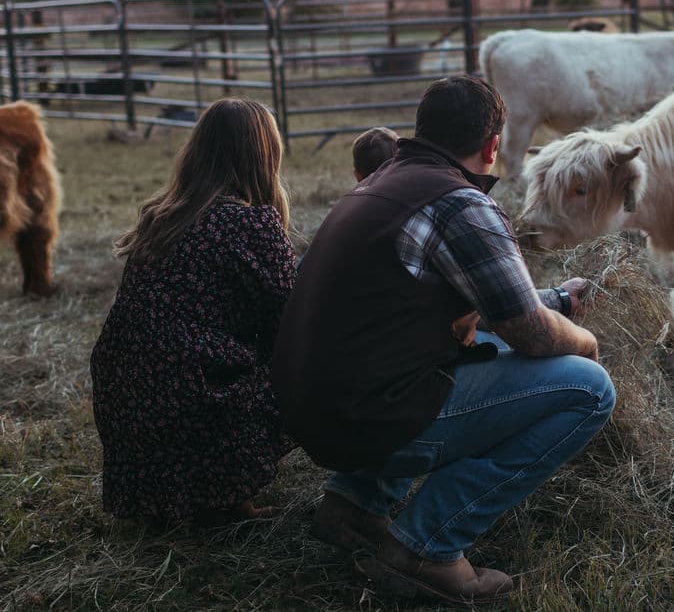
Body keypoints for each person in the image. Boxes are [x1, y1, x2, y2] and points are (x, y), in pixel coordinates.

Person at [272, 75, 614, 605]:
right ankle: (427, 546)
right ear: (492, 145)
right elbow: (530, 333)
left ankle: (354, 504)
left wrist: (557, 299)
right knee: (590, 388)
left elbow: (481, 302)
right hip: (367, 419)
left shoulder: (380, 186)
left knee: (468, 349)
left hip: (313, 410)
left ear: (422, 130)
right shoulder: (461, 205)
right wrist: (584, 338)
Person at [91, 98, 296, 524]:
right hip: (191, 397)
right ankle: (227, 494)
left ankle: (172, 493)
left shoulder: (162, 215)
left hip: (127, 398)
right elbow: (289, 323)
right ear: (264, 155)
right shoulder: (250, 224)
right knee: (299, 361)